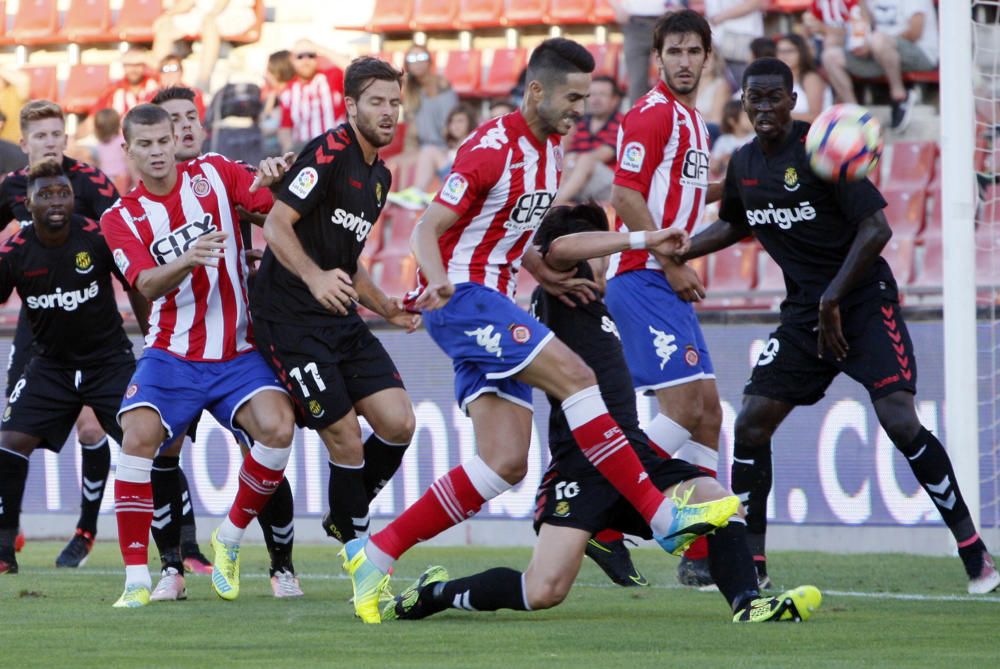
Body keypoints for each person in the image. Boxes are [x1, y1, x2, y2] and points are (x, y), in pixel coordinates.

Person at [340, 37, 739, 624]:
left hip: (495, 299)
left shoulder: (550, 151)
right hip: (468, 299)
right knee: (578, 379)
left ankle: (376, 552)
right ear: (536, 90)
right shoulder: (491, 146)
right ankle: (657, 513)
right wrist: (439, 282)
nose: (581, 108)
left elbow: (506, 226)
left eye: (585, 97)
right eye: (573, 97)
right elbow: (428, 228)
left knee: (504, 463)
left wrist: (541, 274)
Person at [380, 203, 822, 623]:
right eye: (603, 247)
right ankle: (434, 594)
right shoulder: (565, 289)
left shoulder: (597, 306)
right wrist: (637, 239)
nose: (608, 262)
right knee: (543, 590)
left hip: (632, 456)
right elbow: (558, 249)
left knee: (718, 500)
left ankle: (748, 603)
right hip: (582, 464)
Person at [681, 57, 999, 595]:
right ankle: (753, 564)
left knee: (899, 420)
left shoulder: (824, 148)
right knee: (752, 423)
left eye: (772, 97)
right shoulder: (743, 164)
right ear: (743, 104)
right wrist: (682, 249)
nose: (762, 107)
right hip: (807, 313)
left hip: (862, 303)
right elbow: (736, 221)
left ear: (792, 100)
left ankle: (975, 557)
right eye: (752, 98)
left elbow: (876, 229)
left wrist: (834, 298)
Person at [101, 103, 296, 608]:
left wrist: (280, 177)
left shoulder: (213, 172)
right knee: (138, 438)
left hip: (237, 350)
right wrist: (187, 260)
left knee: (278, 429)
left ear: (174, 140)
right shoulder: (120, 217)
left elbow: (268, 206)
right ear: (128, 152)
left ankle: (229, 537)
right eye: (144, 145)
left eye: (163, 141)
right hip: (173, 353)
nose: (157, 152)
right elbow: (144, 281)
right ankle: (136, 578)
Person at [252, 57, 419, 554]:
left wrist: (386, 307)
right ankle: (358, 555)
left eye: (394, 101)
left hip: (338, 317)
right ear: (350, 105)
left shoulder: (381, 177)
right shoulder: (327, 151)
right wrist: (314, 276)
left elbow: (347, 259)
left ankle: (346, 513)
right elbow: (275, 225)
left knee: (398, 422)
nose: (388, 112)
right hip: (289, 320)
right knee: (345, 435)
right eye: (376, 102)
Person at [604, 9, 724, 589]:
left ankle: (700, 551)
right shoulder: (651, 115)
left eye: (692, 52)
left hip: (666, 279)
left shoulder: (695, 123)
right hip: (643, 275)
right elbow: (625, 195)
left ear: (707, 57)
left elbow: (690, 190)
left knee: (708, 413)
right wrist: (674, 263)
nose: (682, 61)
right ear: (658, 58)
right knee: (681, 410)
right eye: (672, 52)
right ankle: (603, 507)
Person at [0, 161, 149, 575]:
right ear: (27, 204)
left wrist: (153, 337)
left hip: (108, 362)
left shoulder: (96, 236)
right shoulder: (14, 252)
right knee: (9, 441)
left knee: (148, 443)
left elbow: (137, 282)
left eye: (62, 193)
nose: (56, 202)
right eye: (45, 195)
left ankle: (179, 550)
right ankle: (3, 550)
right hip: (51, 366)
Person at [821, 0, 938, 131]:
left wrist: (871, 42)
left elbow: (915, 32)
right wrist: (860, 43)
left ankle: (899, 96)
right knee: (830, 56)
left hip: (920, 54)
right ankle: (856, 115)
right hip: (881, 54)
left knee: (878, 40)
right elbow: (863, 25)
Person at [151, 0, 258, 91]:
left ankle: (203, 82)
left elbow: (220, 5)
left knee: (209, 24)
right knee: (165, 27)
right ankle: (158, 82)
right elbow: (187, 3)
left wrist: (211, 15)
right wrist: (168, 15)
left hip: (233, 12)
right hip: (201, 13)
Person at [389, 103, 478, 209]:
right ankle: (418, 194)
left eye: (460, 121)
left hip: (463, 184)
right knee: (419, 154)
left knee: (429, 150)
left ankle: (418, 193)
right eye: (452, 121)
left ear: (470, 123)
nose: (455, 125)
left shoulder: (475, 143)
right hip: (452, 183)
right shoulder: (448, 148)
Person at [553, 75, 624, 206]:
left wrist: (577, 159)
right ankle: (558, 198)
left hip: (610, 186)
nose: (596, 99)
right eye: (593, 95)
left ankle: (557, 202)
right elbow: (568, 155)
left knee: (586, 159)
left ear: (615, 100)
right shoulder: (581, 124)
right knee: (569, 157)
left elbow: (603, 155)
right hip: (581, 183)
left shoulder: (622, 123)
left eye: (602, 94)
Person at [610, 1, 686, 105]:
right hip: (635, 22)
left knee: (673, 75)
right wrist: (617, 7)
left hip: (667, 20)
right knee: (637, 81)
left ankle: (677, 114)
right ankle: (638, 117)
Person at [278, 39, 346, 153]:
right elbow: (285, 128)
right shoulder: (288, 92)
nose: (306, 60)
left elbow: (354, 67)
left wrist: (320, 49)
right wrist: (289, 154)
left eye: (311, 55)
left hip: (337, 150)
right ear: (292, 60)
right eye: (300, 56)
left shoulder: (331, 77)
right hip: (305, 152)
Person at [776, 33, 833, 123]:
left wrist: (777, 116)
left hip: (812, 133)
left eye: (789, 51)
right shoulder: (779, 80)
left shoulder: (811, 78)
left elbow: (815, 117)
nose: (784, 56)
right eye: (780, 51)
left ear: (801, 52)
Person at [91, 48, 160, 120]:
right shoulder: (112, 90)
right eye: (129, 65)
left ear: (144, 66)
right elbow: (93, 118)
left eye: (137, 65)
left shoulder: (155, 87)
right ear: (123, 66)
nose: (133, 69)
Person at [710, 99, 754, 177]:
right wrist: (722, 160)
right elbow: (714, 167)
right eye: (747, 117)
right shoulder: (723, 140)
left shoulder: (756, 138)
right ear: (732, 121)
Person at [91, 109, 131, 194]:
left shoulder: (119, 142)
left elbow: (128, 161)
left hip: (113, 178)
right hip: (114, 178)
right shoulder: (101, 145)